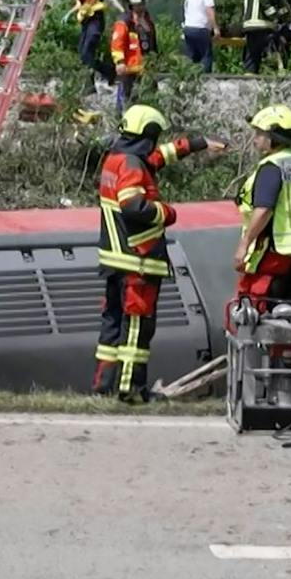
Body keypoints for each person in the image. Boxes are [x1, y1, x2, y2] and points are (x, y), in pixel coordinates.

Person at [93, 105, 226, 402]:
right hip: (137, 262)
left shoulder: (118, 158)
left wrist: (197, 143)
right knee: (136, 330)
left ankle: (103, 386)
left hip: (115, 261)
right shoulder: (132, 165)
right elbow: (133, 206)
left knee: (112, 327)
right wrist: (167, 213)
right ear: (148, 135)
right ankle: (131, 391)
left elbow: (160, 156)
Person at [232, 105, 291, 307]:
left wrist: (244, 244)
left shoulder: (272, 167)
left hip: (274, 253)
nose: (255, 139)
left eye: (259, 133)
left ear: (273, 136)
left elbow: (264, 209)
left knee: (256, 309)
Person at [69, 0, 121, 88]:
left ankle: (107, 71)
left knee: (88, 49)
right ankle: (105, 72)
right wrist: (69, 14)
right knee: (83, 53)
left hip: (96, 21)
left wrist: (122, 10)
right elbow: (79, 4)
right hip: (86, 21)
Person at [111, 0, 151, 112]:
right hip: (128, 69)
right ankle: (120, 118)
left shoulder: (146, 20)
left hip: (145, 68)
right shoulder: (124, 22)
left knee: (148, 98)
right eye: (139, 4)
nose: (142, 7)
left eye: (143, 4)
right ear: (133, 5)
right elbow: (117, 43)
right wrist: (120, 62)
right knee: (125, 99)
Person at [241, 0, 285, 74]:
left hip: (249, 26)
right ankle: (276, 76)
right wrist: (275, 17)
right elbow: (265, 0)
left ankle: (249, 77)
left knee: (252, 57)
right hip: (263, 25)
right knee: (271, 54)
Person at [181, 0, 218, 72]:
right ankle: (206, 78)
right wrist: (215, 28)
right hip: (201, 29)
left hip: (188, 28)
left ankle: (191, 77)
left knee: (193, 57)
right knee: (206, 56)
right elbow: (209, 12)